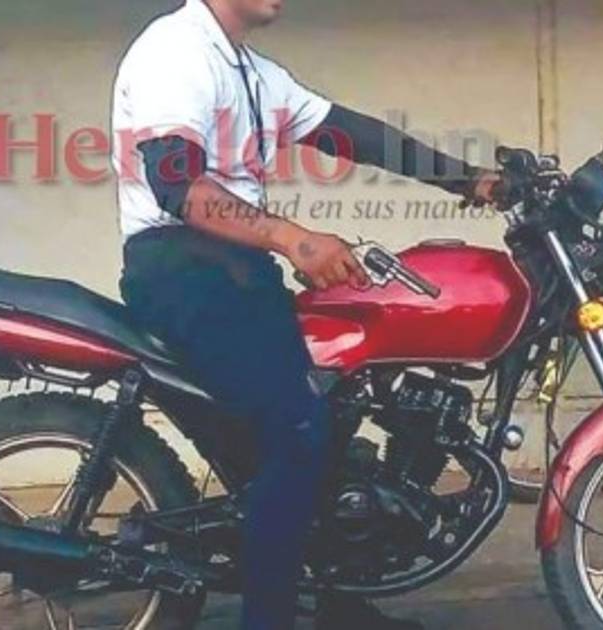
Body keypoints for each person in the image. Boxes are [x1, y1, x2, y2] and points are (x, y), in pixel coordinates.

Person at [112, 1, 498, 628]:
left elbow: (349, 133)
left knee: (331, 422)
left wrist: (470, 180)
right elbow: (180, 188)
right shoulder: (175, 51)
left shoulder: (250, 71)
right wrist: (296, 239)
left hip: (236, 272)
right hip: (185, 272)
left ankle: (335, 602)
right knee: (299, 433)